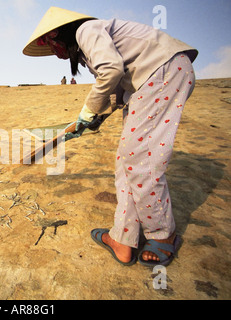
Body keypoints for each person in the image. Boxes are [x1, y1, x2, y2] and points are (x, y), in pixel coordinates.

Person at [23, 7, 198, 267]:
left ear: (59, 34)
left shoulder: (86, 30)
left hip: (162, 72)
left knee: (141, 158)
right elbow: (116, 88)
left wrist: (89, 110)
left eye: (51, 44)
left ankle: (163, 235)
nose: (55, 51)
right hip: (145, 84)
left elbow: (112, 70)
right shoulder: (88, 47)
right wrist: (97, 116)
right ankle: (123, 238)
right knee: (126, 162)